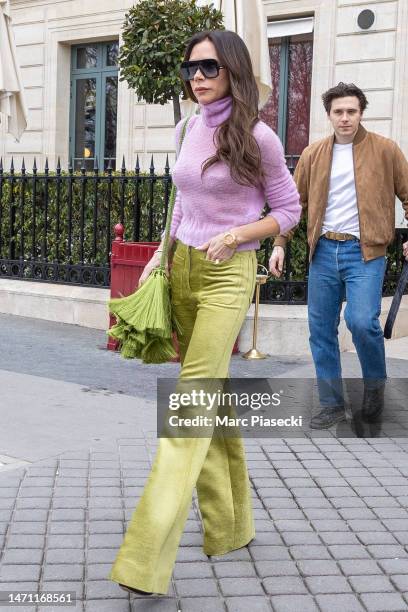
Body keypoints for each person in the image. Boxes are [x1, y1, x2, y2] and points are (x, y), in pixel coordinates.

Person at [108, 29, 301, 595]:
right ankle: (231, 525)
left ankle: (144, 558)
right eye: (191, 67)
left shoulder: (259, 137)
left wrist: (240, 234)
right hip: (184, 269)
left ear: (233, 71)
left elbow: (288, 210)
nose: (197, 76)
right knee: (209, 400)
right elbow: (180, 201)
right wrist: (158, 260)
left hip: (227, 274)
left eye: (209, 67)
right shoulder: (187, 126)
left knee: (189, 402)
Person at [269, 82, 408, 429]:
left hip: (366, 252)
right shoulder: (313, 154)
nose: (345, 118)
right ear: (329, 115)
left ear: (361, 113)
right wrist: (280, 243)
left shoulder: (386, 150)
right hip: (324, 251)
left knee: (361, 322)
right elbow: (292, 205)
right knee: (320, 330)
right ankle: (331, 403)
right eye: (338, 112)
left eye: (351, 111)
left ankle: (375, 388)